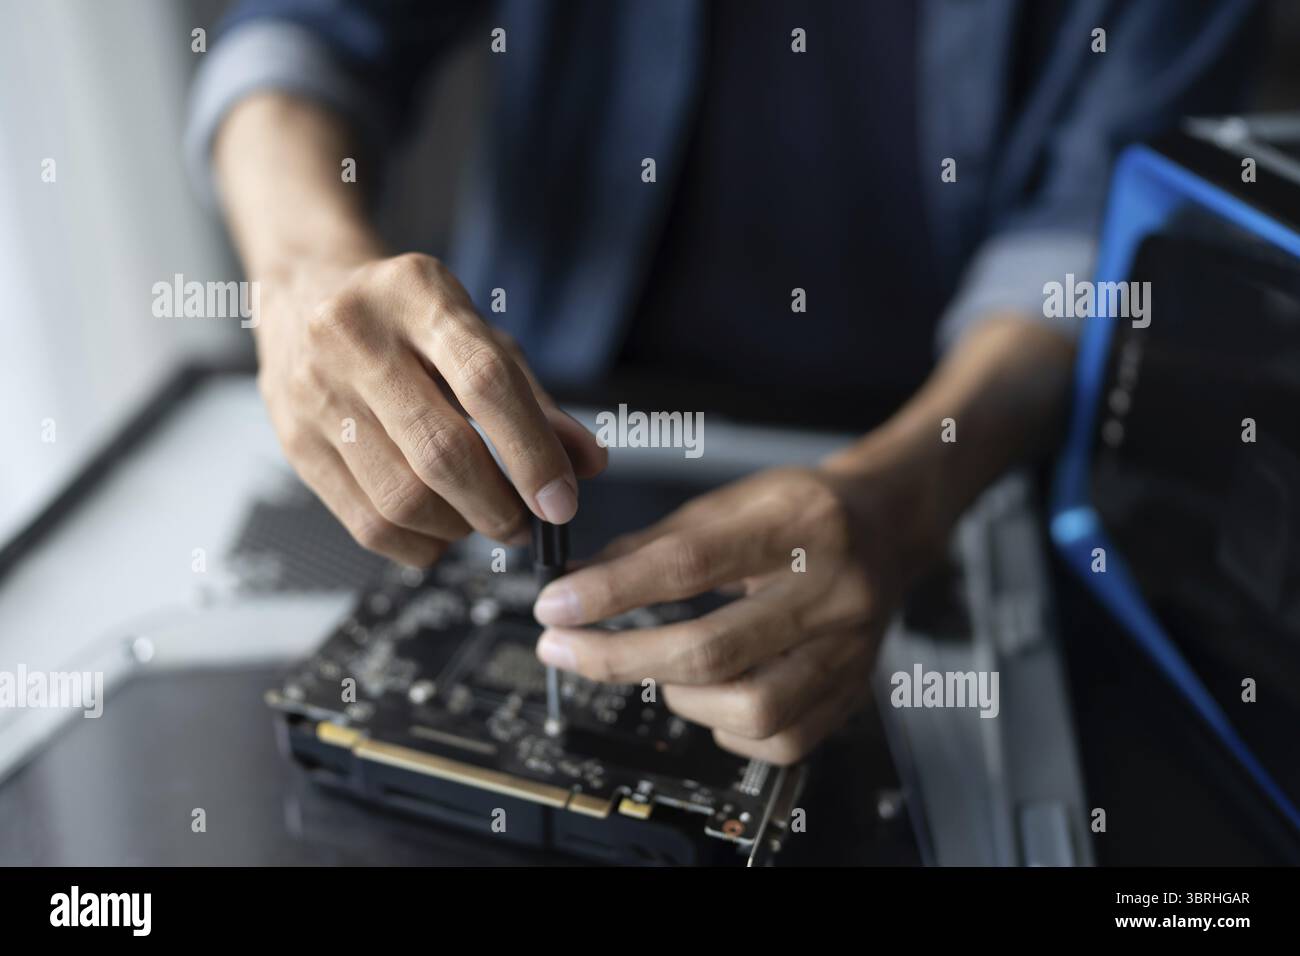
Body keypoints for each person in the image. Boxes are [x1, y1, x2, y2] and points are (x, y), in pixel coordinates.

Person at [187, 0, 1260, 764]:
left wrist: (897, 503)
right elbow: (304, 35)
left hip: (925, 460)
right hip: (541, 410)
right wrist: (298, 275)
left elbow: (1091, 253)